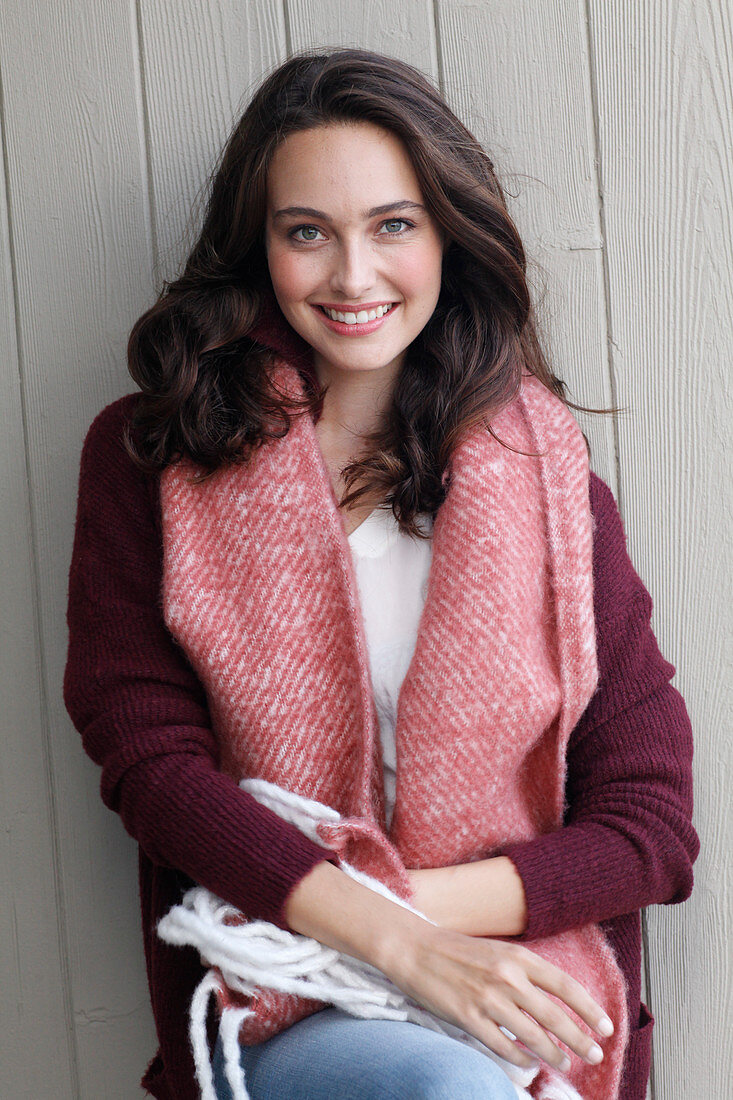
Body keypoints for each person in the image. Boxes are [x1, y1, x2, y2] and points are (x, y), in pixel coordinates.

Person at [64, 48, 698, 1100]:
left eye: (392, 226)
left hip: (523, 981)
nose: (352, 276)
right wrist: (389, 945)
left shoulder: (547, 485)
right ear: (258, 246)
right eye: (306, 231)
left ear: (449, 235)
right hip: (286, 990)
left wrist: (420, 925)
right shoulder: (153, 459)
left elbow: (648, 827)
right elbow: (152, 766)